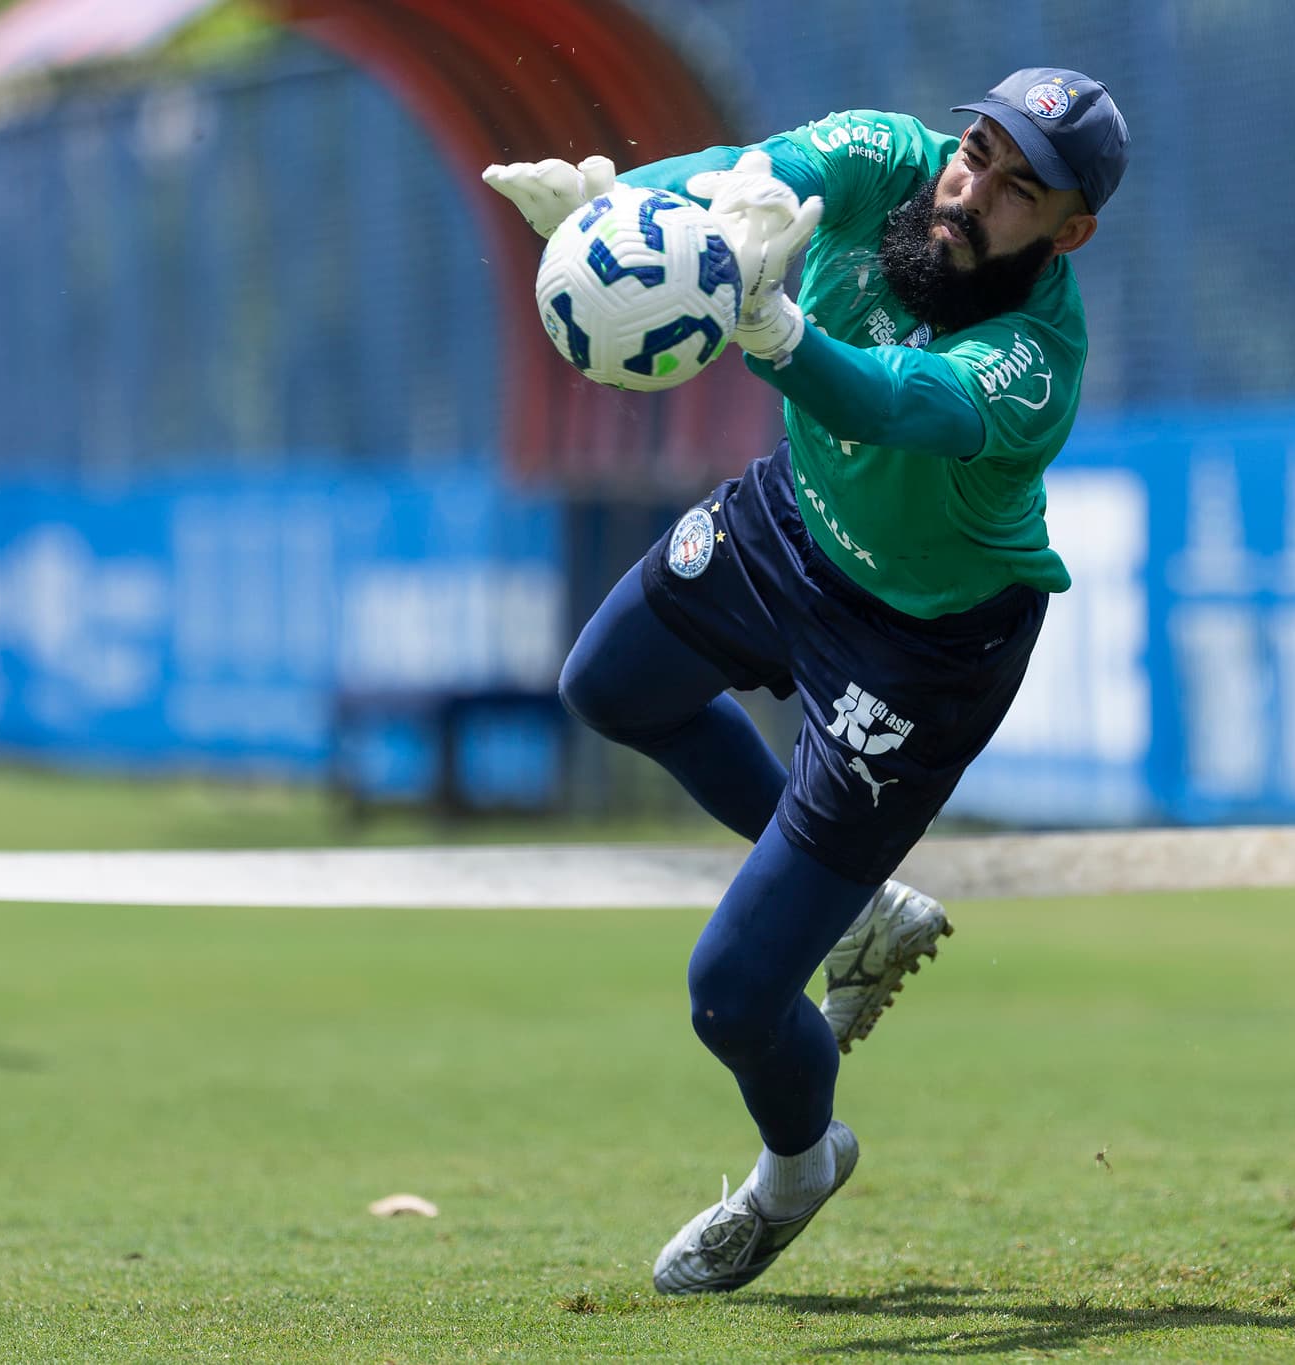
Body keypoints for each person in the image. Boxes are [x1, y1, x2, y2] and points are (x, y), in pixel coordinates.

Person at [483, 66, 1129, 1294]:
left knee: (729, 995)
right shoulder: (888, 157)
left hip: (922, 649)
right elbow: (747, 181)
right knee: (611, 685)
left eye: (1014, 185)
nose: (971, 186)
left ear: (1069, 229)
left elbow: (894, 403)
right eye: (974, 149)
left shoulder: (1038, 359)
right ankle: (866, 908)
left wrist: (770, 327)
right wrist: (613, 209)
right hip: (794, 524)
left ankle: (796, 1168)